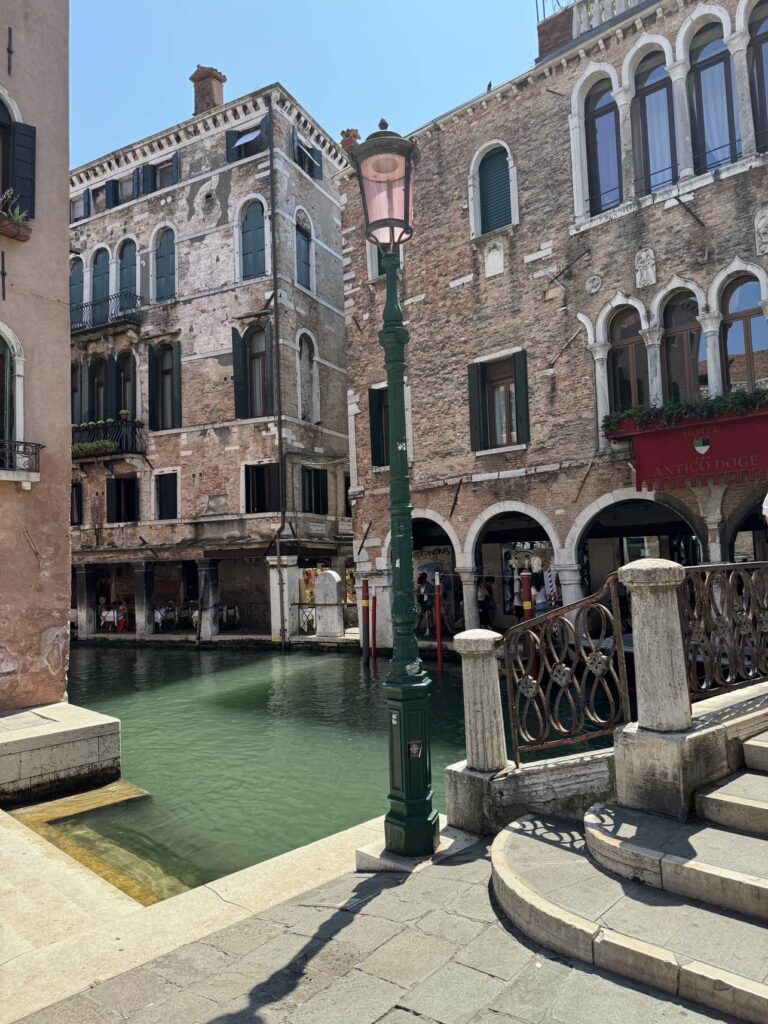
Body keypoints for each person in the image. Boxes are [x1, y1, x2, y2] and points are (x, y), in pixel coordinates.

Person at [416, 572, 435, 638]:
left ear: (424, 579)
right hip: (421, 604)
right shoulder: (419, 587)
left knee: (427, 617)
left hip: (428, 603)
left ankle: (428, 631)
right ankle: (417, 629)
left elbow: (434, 594)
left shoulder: (430, 586)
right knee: (419, 617)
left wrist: (429, 594)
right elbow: (418, 595)